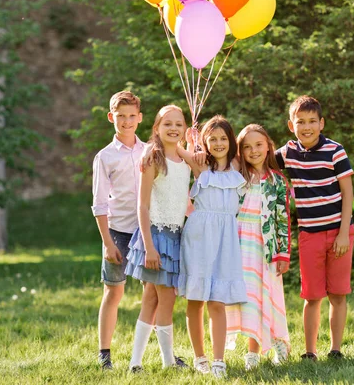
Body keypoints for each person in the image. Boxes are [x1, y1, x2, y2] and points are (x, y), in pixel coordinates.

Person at [275, 95, 354, 361]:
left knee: (338, 294)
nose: (306, 127)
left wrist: (344, 233)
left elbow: (348, 194)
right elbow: (256, 157)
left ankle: (336, 349)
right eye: (300, 122)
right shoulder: (288, 153)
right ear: (291, 125)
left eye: (312, 121)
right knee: (311, 296)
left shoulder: (335, 151)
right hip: (309, 234)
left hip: (339, 232)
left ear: (321, 123)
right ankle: (310, 351)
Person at [177, 116, 247, 379]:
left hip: (226, 238)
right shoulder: (200, 165)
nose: (218, 143)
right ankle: (200, 357)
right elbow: (176, 150)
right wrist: (188, 139)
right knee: (196, 299)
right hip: (199, 235)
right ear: (205, 142)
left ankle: (219, 360)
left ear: (231, 141)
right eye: (212, 138)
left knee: (217, 300)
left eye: (223, 138)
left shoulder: (237, 166)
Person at [125, 105, 191, 372]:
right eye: (167, 124)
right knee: (166, 299)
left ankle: (135, 363)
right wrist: (149, 247)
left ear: (185, 129)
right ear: (156, 129)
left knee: (151, 299)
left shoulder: (184, 160)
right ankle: (167, 362)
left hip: (175, 236)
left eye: (179, 124)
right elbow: (142, 206)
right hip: (155, 237)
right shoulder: (152, 157)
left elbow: (184, 197)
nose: (173, 128)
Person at [225, 124, 292, 370]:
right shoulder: (236, 177)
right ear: (240, 151)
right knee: (246, 299)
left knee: (265, 297)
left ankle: (272, 345)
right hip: (238, 244)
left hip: (265, 248)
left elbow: (282, 219)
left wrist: (283, 253)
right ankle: (251, 348)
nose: (254, 151)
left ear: (269, 146)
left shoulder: (278, 181)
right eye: (247, 146)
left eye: (259, 145)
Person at [91, 91, 146, 369]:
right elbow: (99, 204)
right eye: (121, 116)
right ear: (112, 117)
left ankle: (160, 352)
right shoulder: (105, 157)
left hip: (147, 232)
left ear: (140, 118)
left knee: (155, 294)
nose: (126, 121)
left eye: (131, 116)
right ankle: (105, 353)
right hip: (117, 233)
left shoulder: (149, 150)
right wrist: (107, 243)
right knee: (114, 293)